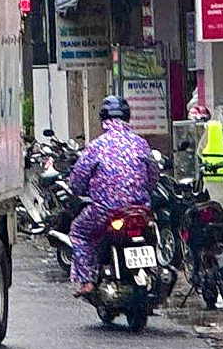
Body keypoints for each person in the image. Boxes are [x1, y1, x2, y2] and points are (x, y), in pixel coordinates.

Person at [66, 96, 159, 296]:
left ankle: (88, 280)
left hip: (105, 210)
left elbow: (79, 178)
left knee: (78, 232)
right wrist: (145, 196)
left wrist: (77, 192)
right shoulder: (140, 143)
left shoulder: (97, 146)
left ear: (103, 118)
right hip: (139, 209)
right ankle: (154, 268)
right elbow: (153, 174)